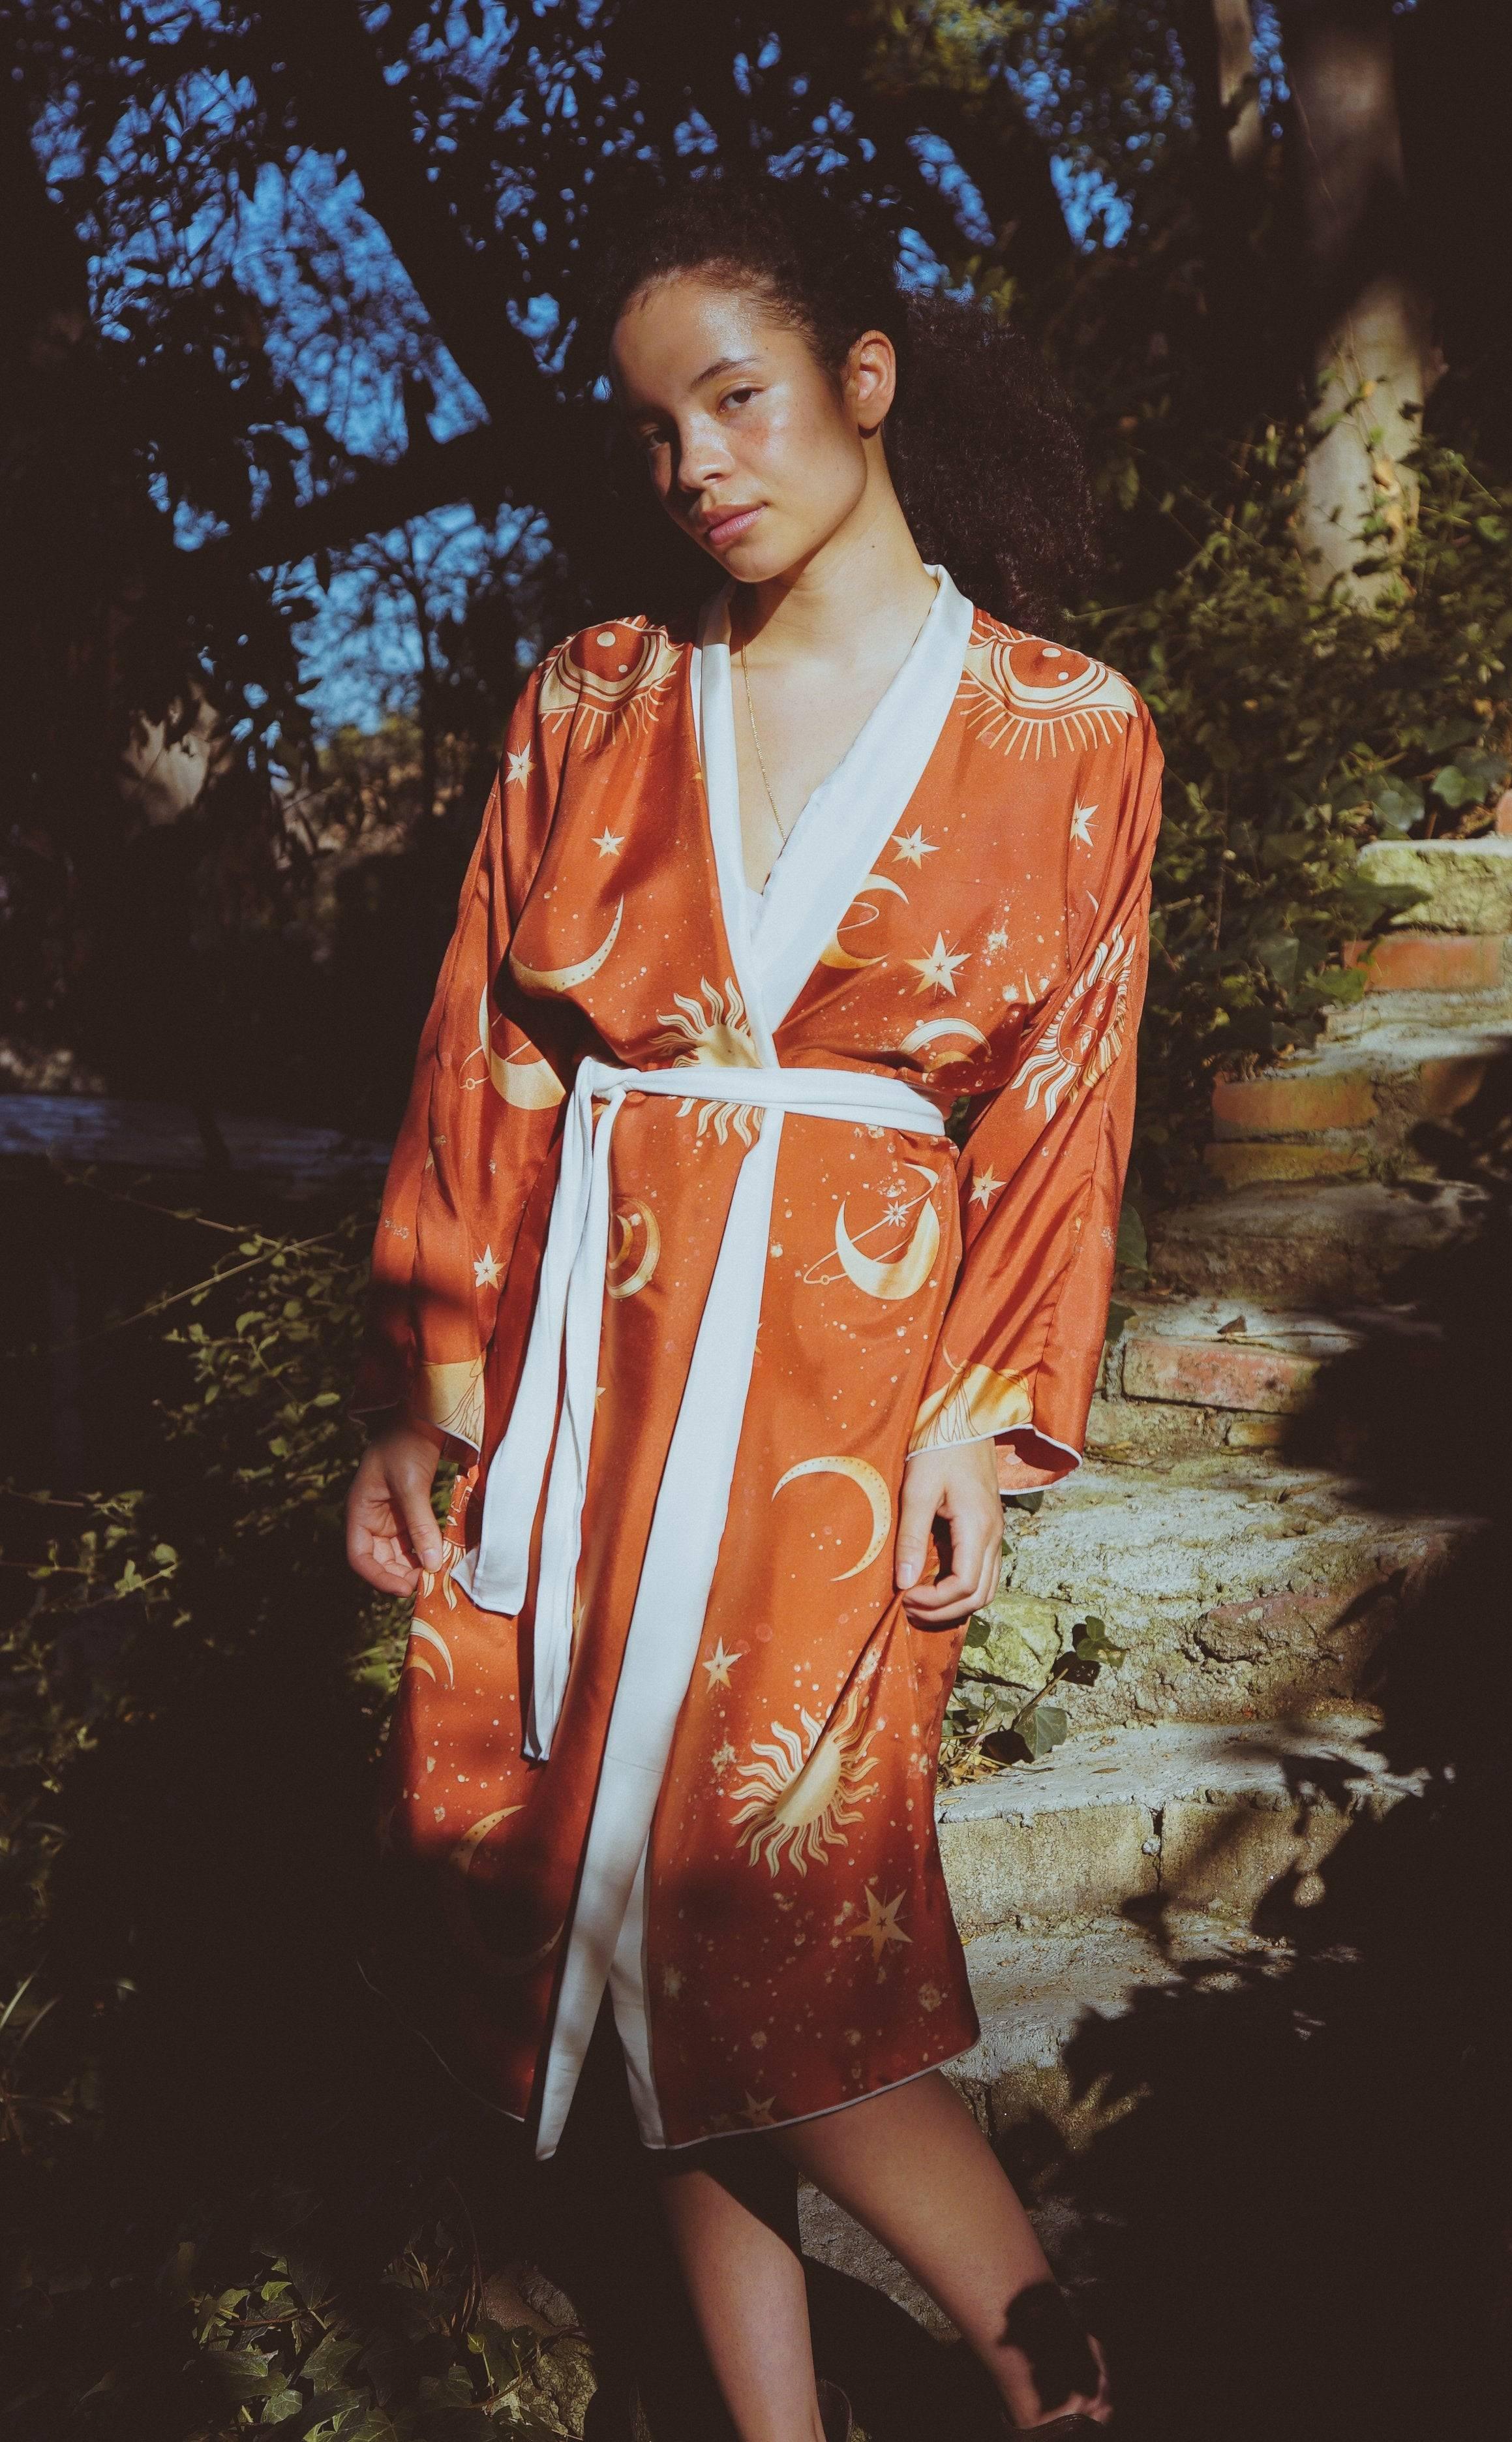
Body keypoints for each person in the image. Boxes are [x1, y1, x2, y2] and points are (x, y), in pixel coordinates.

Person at [344, 174, 1162, 2442]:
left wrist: (977, 1425)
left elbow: (1063, 1112)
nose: (696, 461)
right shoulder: (595, 699)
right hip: (589, 1376)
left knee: (759, 1919)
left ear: (864, 382)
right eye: (651, 429)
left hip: (840, 1375)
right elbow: (485, 1060)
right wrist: (429, 1387)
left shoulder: (1065, 726)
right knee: (620, 1917)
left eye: (738, 399)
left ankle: (1062, 2392)